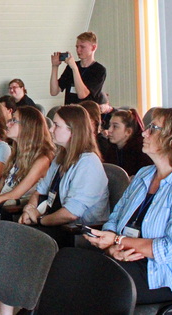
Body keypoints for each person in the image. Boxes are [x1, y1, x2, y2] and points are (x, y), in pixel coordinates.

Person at [85, 108, 172, 305]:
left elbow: (171, 251)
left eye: (153, 128)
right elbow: (115, 218)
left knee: (93, 284)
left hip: (168, 275)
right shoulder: (144, 174)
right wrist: (112, 248)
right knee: (70, 267)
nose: (144, 132)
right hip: (130, 259)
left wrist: (119, 240)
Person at [19, 105, 109, 248]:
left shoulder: (88, 163)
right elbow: (40, 191)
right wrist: (29, 209)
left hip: (75, 232)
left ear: (73, 131)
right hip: (54, 223)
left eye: (56, 125)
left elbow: (71, 214)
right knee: (12, 234)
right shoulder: (60, 157)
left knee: (20, 242)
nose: (50, 130)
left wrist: (39, 219)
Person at [0, 107, 55, 211]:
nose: (8, 124)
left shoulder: (42, 160)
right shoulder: (15, 154)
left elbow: (16, 194)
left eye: (14, 121)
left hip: (10, 211)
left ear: (28, 127)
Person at [50, 31, 106, 105]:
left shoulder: (99, 70)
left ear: (93, 47)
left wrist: (74, 68)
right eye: (77, 47)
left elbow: (82, 94)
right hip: (70, 112)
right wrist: (55, 67)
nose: (78, 50)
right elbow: (54, 91)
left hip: (86, 113)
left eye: (82, 47)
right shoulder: (70, 67)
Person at [103, 108, 153, 176]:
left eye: (115, 126)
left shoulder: (141, 153)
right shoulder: (110, 149)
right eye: (110, 125)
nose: (109, 130)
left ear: (128, 131)